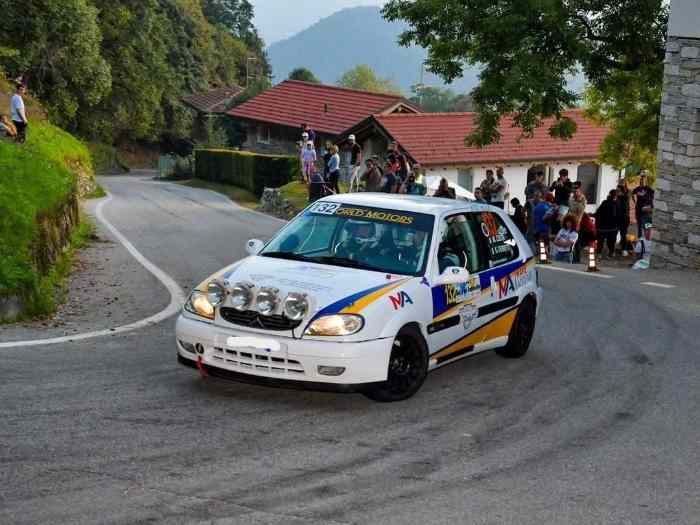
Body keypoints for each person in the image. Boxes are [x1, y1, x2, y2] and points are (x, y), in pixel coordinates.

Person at [595, 190, 619, 257]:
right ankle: (610, 253)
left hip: (604, 226)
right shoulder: (616, 203)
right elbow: (618, 215)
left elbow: (598, 212)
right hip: (611, 227)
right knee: (610, 241)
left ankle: (600, 253)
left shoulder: (606, 202)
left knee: (601, 241)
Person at [632, 171, 654, 238]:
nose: (642, 181)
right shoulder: (637, 189)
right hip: (638, 210)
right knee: (639, 227)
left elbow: (654, 195)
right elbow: (632, 194)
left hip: (647, 211)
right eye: (641, 180)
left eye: (643, 180)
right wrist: (634, 201)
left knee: (647, 227)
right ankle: (640, 242)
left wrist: (650, 204)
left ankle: (647, 241)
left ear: (645, 181)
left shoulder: (649, 189)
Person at [533, 192, 555, 257]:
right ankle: (545, 255)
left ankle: (540, 256)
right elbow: (548, 218)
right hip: (545, 228)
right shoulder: (549, 208)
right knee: (545, 244)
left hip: (536, 228)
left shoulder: (537, 206)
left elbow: (534, 217)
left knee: (539, 244)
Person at [616, 181, 631, 256]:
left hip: (624, 219)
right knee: (614, 233)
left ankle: (624, 249)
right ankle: (615, 249)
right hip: (618, 218)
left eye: (618, 190)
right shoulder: (617, 197)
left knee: (623, 234)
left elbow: (624, 209)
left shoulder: (625, 197)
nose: (617, 192)